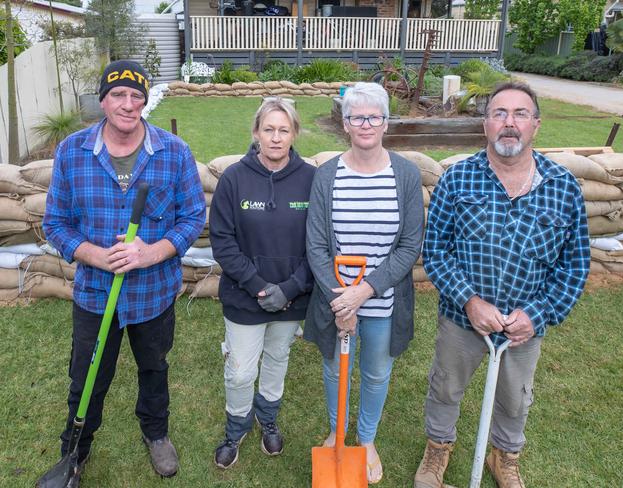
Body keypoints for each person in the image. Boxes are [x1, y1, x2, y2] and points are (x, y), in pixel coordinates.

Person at [414, 82, 590, 488]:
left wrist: (538, 314)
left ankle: (504, 456)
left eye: (520, 114)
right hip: (463, 319)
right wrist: (469, 302)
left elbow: (575, 267)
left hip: (524, 325)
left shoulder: (563, 188)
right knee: (445, 387)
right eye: (499, 113)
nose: (509, 123)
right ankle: (437, 450)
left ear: (536, 125)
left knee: (515, 398)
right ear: (485, 124)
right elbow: (437, 252)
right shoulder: (457, 180)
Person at [40, 60, 205, 484]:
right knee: (87, 377)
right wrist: (94, 254)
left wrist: (152, 253)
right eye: (118, 94)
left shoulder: (174, 152)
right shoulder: (72, 152)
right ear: (103, 100)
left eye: (137, 96)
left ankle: (156, 434)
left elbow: (191, 217)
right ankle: (75, 450)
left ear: (145, 103)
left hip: (153, 292)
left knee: (154, 368)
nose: (128, 104)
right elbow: (55, 223)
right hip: (96, 293)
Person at [304, 82, 424, 484]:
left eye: (375, 116)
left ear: (386, 123)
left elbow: (409, 245)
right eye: (358, 117)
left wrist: (364, 291)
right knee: (335, 372)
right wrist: (341, 301)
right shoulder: (327, 175)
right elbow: (316, 244)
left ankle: (367, 438)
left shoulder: (405, 174)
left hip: (383, 302)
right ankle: (337, 432)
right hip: (335, 299)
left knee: (375, 373)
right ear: (346, 123)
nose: (366, 124)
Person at [209, 98, 315, 469]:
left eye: (283, 130)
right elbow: (222, 240)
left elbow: (320, 243)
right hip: (244, 297)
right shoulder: (234, 179)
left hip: (292, 296)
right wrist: (256, 284)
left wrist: (291, 287)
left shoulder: (311, 179)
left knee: (277, 359)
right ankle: (236, 425)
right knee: (240, 369)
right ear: (256, 133)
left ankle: (267, 416)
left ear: (294, 134)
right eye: (268, 129)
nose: (275, 137)